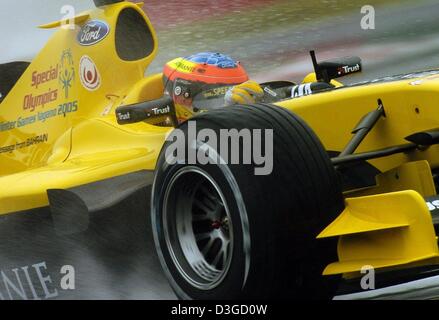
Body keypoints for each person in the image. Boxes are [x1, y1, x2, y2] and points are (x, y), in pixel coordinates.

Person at [162, 52, 265, 123]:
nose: (224, 98)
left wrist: (252, 114)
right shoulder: (163, 117)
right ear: (182, 93)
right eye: (214, 94)